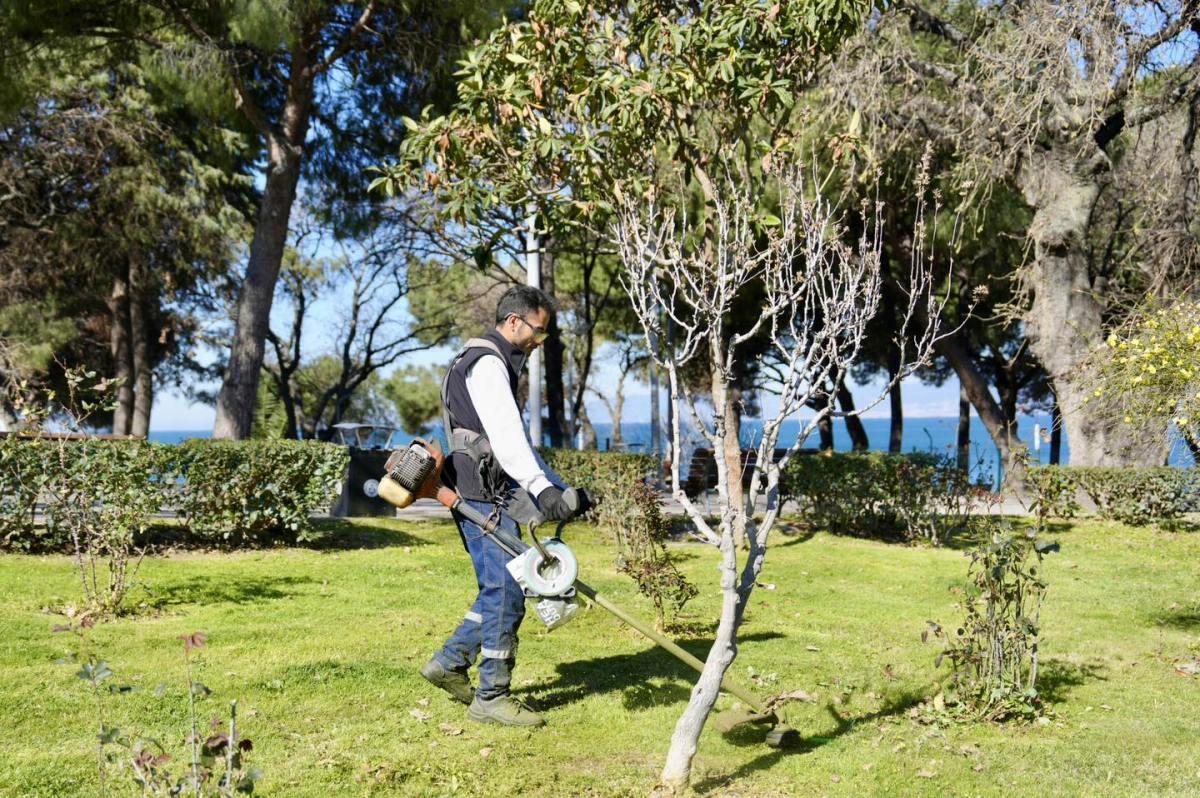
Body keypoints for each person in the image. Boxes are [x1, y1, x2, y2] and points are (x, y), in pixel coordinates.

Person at [420, 285, 589, 727]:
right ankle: (491, 695)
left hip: (481, 488)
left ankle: (450, 663)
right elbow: (506, 437)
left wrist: (556, 488)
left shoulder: (484, 360)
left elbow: (515, 440)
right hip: (480, 493)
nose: (539, 341)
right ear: (514, 322)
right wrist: (541, 488)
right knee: (507, 589)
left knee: (498, 585)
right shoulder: (488, 364)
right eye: (539, 331)